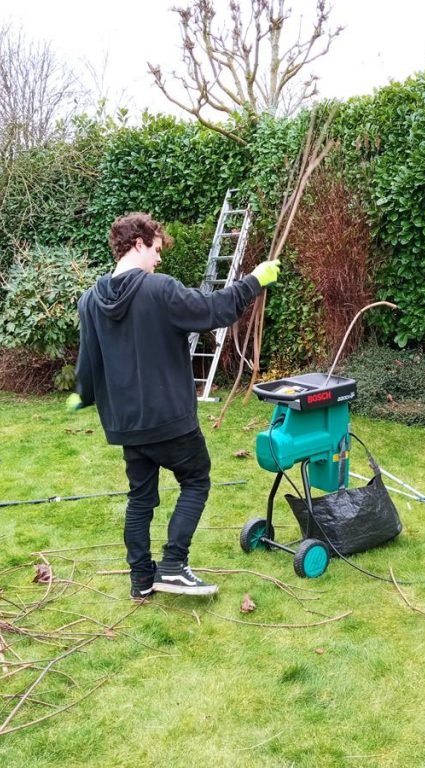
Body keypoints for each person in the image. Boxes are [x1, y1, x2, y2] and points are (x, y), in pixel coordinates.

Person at [67, 212, 280, 601]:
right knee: (196, 479)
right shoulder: (159, 290)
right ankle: (173, 566)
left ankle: (141, 580)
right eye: (156, 249)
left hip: (127, 424)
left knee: (141, 497)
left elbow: (89, 360)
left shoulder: (90, 301)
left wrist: (82, 395)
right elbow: (212, 310)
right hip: (169, 419)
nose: (159, 259)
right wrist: (254, 280)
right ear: (138, 244)